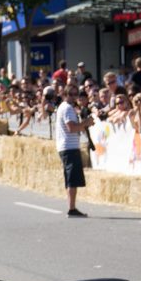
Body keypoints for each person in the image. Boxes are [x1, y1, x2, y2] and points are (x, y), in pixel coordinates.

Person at [53, 83, 92, 218]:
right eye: (71, 94)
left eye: (76, 94)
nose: (74, 97)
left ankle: (72, 207)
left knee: (71, 179)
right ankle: (71, 208)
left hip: (67, 146)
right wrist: (85, 123)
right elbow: (71, 128)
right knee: (72, 179)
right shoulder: (68, 108)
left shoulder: (65, 107)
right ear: (65, 95)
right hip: (69, 147)